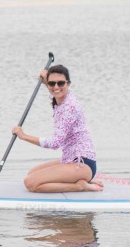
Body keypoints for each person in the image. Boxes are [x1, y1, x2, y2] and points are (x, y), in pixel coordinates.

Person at [12, 64, 103, 193]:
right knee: (31, 173)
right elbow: (55, 93)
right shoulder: (62, 99)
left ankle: (80, 186)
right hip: (70, 159)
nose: (56, 87)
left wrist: (24, 136)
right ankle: (81, 179)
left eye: (60, 83)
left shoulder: (69, 108)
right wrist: (45, 82)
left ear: (68, 84)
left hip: (82, 163)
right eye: (51, 83)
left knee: (30, 183)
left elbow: (55, 143)